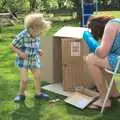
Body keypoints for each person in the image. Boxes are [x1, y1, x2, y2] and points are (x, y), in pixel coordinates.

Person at [10, 13, 51, 102]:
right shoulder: (22, 35)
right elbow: (12, 46)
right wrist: (20, 53)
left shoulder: (37, 34)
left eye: (40, 30)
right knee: (24, 80)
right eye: (38, 30)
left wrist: (39, 50)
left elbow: (35, 46)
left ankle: (38, 94)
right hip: (23, 61)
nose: (39, 32)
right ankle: (21, 94)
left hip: (33, 60)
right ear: (31, 27)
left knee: (38, 76)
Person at [84, 16, 120, 109]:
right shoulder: (117, 22)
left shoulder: (111, 25)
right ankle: (114, 93)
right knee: (102, 61)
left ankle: (104, 100)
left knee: (91, 59)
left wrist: (89, 39)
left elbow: (102, 53)